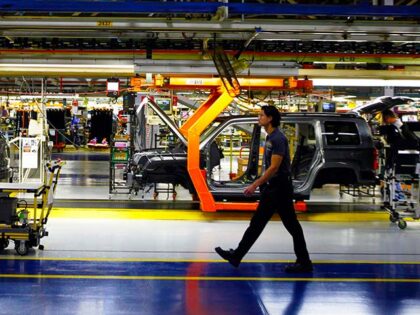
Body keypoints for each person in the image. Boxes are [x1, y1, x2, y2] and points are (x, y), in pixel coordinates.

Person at [215, 106, 312, 273]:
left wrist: (255, 185)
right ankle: (237, 256)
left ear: (270, 118)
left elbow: (274, 167)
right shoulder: (270, 137)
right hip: (274, 187)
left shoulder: (278, 139)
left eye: (261, 115)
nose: (258, 118)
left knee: (284, 225)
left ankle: (304, 262)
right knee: (263, 224)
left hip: (279, 188)